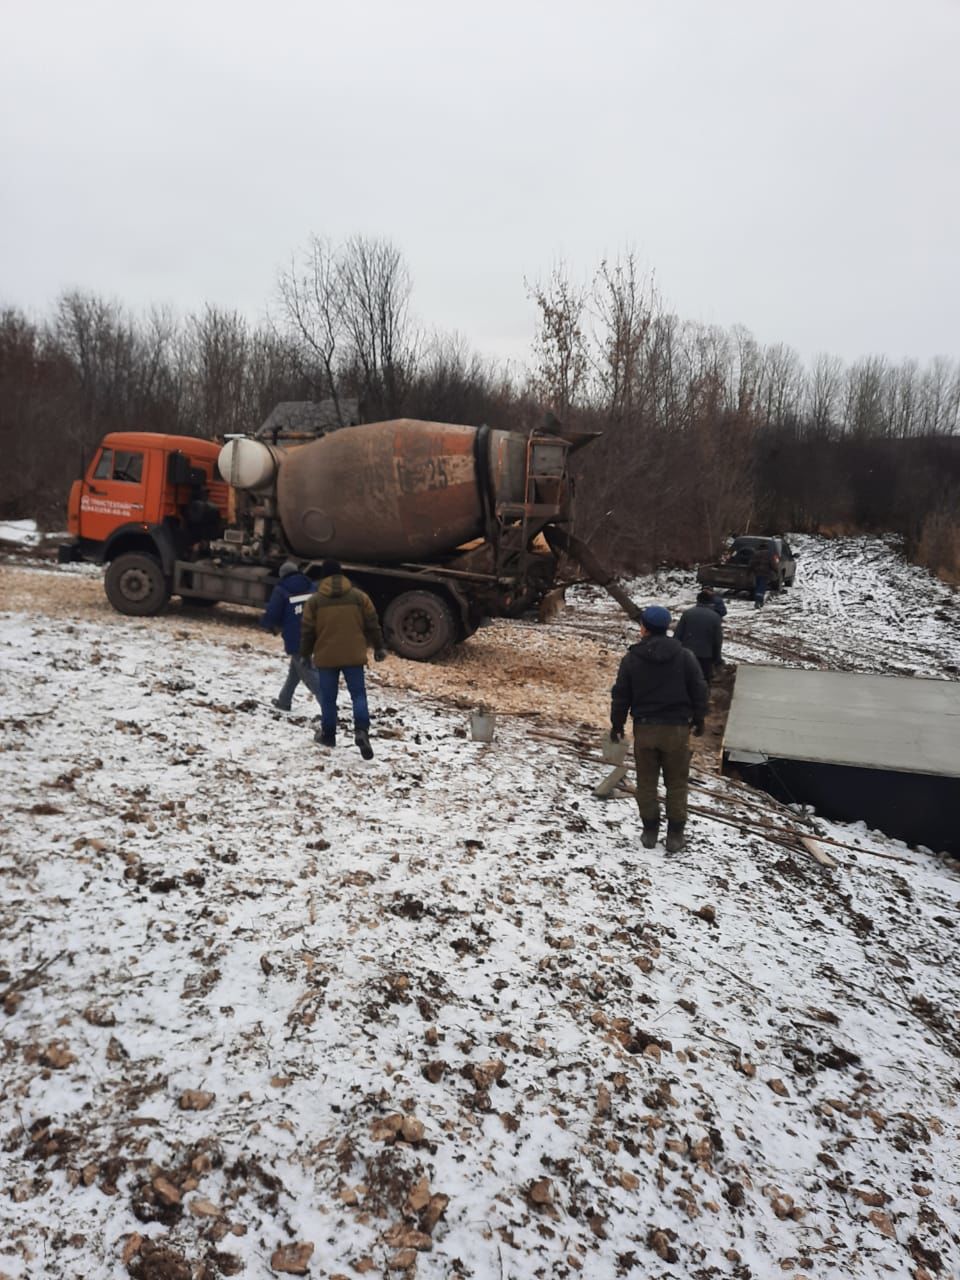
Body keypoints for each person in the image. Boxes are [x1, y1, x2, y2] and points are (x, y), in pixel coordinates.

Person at [609, 605, 708, 854]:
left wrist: (617, 725)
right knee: (676, 784)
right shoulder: (685, 656)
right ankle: (675, 835)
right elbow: (699, 689)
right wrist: (699, 718)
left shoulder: (632, 659)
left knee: (646, 783)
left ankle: (649, 831)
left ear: (644, 628)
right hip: (676, 730)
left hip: (645, 729)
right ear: (667, 628)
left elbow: (621, 696)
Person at [300, 560, 387, 759]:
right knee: (358, 695)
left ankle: (329, 735)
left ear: (324, 577)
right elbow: (373, 623)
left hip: (326, 656)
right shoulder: (359, 597)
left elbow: (307, 630)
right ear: (342, 575)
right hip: (353, 655)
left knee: (329, 699)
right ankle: (361, 731)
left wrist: (305, 653)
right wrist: (379, 646)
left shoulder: (315, 601)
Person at [261, 560, 319, 710]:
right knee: (295, 670)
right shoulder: (311, 586)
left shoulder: (282, 589)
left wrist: (268, 625)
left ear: (283, 575)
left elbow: (274, 611)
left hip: (296, 636)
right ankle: (284, 701)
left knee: (308, 672)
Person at [674, 591, 724, 684]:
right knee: (703, 681)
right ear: (710, 602)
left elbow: (678, 635)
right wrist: (717, 659)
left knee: (686, 680)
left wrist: (675, 654)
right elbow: (717, 641)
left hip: (687, 654)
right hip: (706, 656)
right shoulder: (715, 617)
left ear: (697, 600)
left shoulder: (687, 614)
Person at [749, 540, 780, 610]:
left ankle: (758, 600)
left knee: (758, 586)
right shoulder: (769, 554)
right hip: (765, 573)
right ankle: (759, 601)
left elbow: (752, 563)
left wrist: (750, 571)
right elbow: (773, 564)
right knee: (762, 587)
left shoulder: (756, 554)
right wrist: (776, 571)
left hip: (757, 573)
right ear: (767, 548)